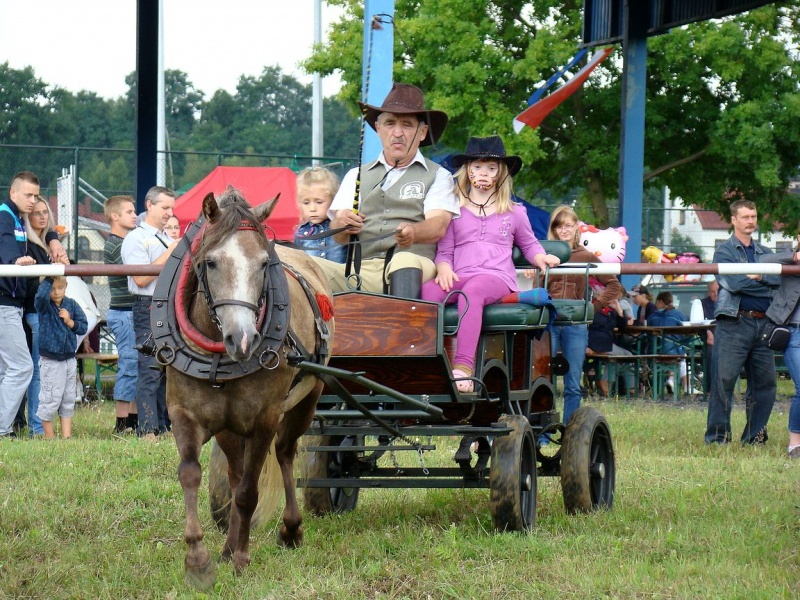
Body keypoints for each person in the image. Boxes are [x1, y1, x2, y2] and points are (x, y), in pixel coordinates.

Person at [420, 136, 560, 392]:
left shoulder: (515, 212)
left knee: (472, 292)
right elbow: (445, 250)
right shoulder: (453, 209)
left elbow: (529, 244)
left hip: (495, 276)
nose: (483, 173)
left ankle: (463, 367)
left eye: (491, 168)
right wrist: (443, 268)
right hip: (461, 273)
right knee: (428, 291)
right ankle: (426, 361)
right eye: (477, 167)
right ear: (468, 171)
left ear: (501, 174)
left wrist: (541, 257)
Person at [313, 83, 459, 297]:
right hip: (359, 271)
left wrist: (414, 232)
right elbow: (339, 236)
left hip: (416, 265)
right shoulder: (356, 175)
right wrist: (343, 224)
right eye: (390, 123)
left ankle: (403, 328)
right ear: (378, 128)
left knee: (404, 259)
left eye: (407, 125)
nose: (397, 133)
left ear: (422, 132)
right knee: (298, 265)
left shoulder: (438, 175)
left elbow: (438, 226)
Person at [705, 199, 780, 445]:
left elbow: (780, 283)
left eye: (754, 216)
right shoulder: (724, 251)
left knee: (765, 385)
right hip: (734, 323)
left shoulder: (766, 252)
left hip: (764, 325)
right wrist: (764, 281)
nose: (751, 221)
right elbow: (734, 283)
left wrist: (760, 280)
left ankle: (755, 437)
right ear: (734, 220)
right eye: (746, 217)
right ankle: (718, 438)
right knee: (723, 382)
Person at [545, 205, 621, 422]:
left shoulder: (585, 255)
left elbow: (613, 285)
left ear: (576, 227)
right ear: (554, 229)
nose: (564, 230)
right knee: (543, 377)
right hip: (548, 319)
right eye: (559, 226)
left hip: (576, 321)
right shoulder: (544, 254)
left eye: (568, 225)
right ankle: (543, 430)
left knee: (572, 381)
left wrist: (593, 308)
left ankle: (571, 431)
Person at [121, 186, 179, 440]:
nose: (170, 213)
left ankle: (162, 426)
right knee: (150, 367)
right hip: (147, 305)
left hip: (166, 304)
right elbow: (141, 277)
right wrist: (171, 252)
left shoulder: (162, 237)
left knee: (166, 365)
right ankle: (147, 429)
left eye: (172, 208)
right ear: (150, 205)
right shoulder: (136, 238)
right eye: (165, 207)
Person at [16, 196, 71, 437]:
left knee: (31, 369)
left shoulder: (46, 241)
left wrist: (63, 263)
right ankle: (36, 427)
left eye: (44, 212)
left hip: (43, 314)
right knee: (38, 369)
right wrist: (52, 273)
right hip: (34, 313)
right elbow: (33, 288)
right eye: (36, 213)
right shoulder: (28, 244)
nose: (41, 216)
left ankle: (27, 423)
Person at [757, 235, 800, 458]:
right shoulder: (789, 262)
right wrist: (794, 256)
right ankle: (795, 443)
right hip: (794, 332)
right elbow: (762, 259)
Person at [34, 276, 87, 439]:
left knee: (68, 397)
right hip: (51, 361)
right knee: (51, 397)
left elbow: (83, 325)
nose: (56, 292)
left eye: (60, 287)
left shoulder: (71, 304)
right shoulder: (44, 306)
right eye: (52, 288)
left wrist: (71, 322)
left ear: (66, 286)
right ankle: (48, 437)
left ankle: (66, 436)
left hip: (69, 359)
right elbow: (40, 297)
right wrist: (49, 277)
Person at [104, 195, 139, 434]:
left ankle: (134, 419)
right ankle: (121, 423)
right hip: (123, 313)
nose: (134, 215)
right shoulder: (116, 245)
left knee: (137, 365)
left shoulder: (126, 242)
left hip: (131, 312)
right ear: (114, 216)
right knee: (128, 364)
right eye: (129, 211)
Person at [586, 290, 636, 397]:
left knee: (627, 356)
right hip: (595, 343)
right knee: (624, 356)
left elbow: (623, 327)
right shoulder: (592, 309)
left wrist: (619, 310)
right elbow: (584, 328)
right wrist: (586, 346)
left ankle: (627, 387)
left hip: (608, 343)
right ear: (598, 297)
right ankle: (623, 386)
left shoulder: (610, 311)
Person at [294, 166, 346, 263]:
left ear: (333, 200)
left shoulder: (340, 227)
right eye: (306, 203)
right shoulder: (301, 233)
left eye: (319, 202)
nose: (312, 209)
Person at [647, 291, 689, 394]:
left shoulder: (653, 317)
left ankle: (672, 380)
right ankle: (684, 385)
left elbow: (648, 333)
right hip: (674, 351)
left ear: (660, 301)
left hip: (655, 352)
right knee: (683, 354)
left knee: (677, 353)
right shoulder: (677, 314)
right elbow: (688, 329)